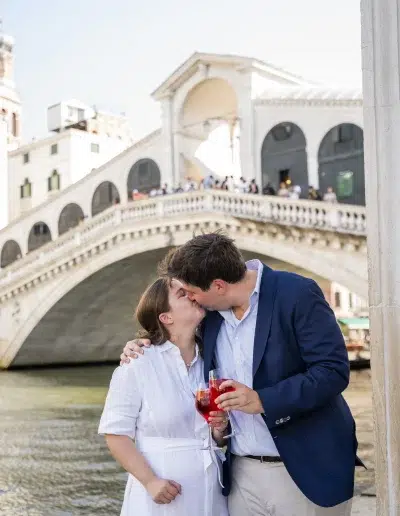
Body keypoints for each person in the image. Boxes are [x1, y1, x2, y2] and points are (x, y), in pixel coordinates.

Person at [121, 233, 362, 516]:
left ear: (219, 286)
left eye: (192, 292)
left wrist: (262, 400)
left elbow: (332, 371)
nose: (191, 299)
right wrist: (142, 344)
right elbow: (175, 338)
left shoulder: (296, 293)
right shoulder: (208, 316)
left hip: (303, 471)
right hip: (239, 477)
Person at [99, 277, 229, 516]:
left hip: (211, 490)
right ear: (166, 318)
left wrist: (219, 430)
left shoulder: (212, 361)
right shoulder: (137, 363)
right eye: (182, 294)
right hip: (163, 494)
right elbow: (116, 434)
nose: (192, 294)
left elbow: (212, 435)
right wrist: (150, 482)